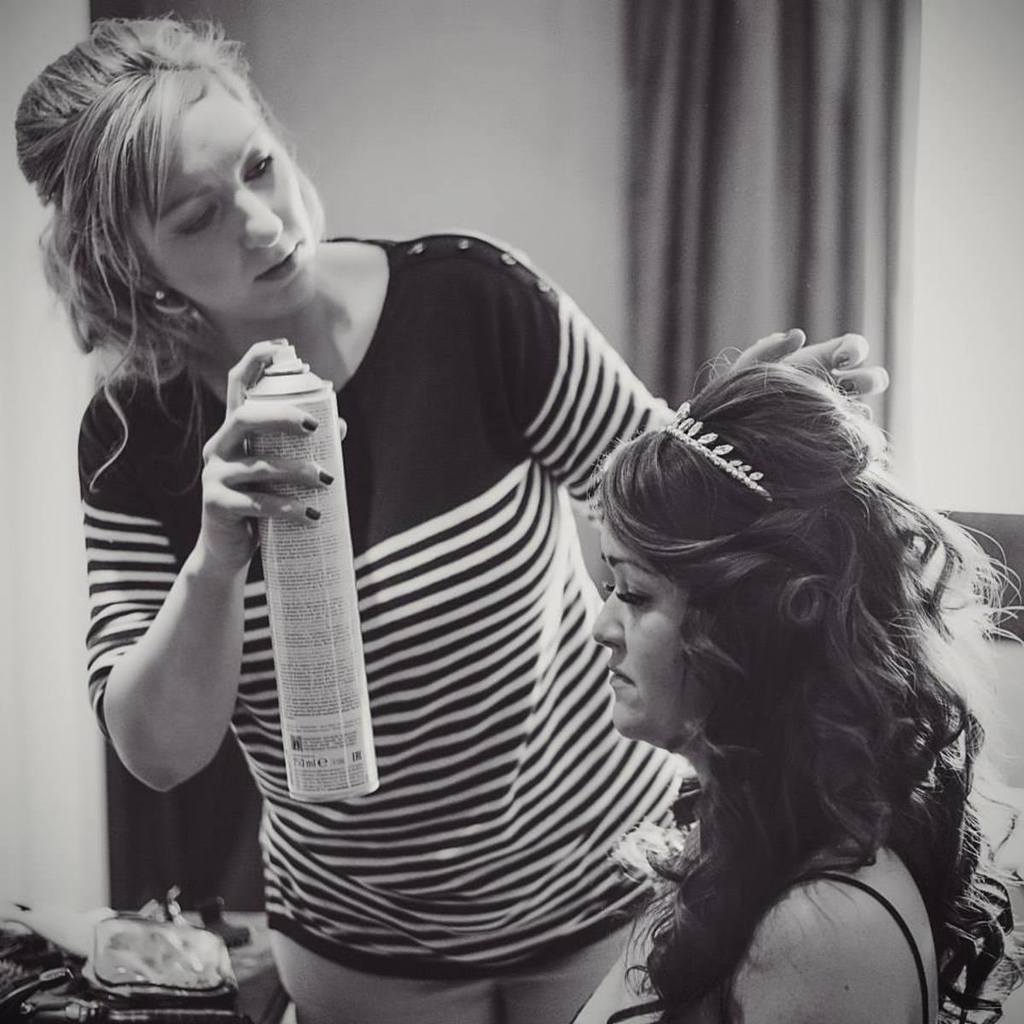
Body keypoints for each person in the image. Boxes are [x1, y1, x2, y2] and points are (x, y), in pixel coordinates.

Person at [15, 17, 886, 1024]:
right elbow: (159, 749)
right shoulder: (133, 438)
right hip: (361, 948)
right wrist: (216, 554)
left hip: (609, 886)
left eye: (259, 167)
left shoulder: (472, 301)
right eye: (196, 216)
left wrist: (746, 432)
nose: (260, 221)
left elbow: (657, 507)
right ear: (129, 260)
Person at [577, 362, 1021, 1024]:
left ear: (755, 623)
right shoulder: (746, 836)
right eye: (609, 586)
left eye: (635, 593)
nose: (600, 627)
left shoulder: (818, 933)